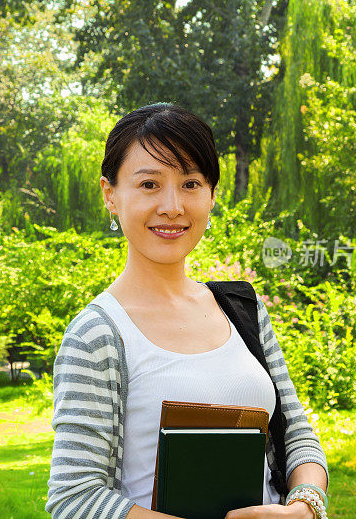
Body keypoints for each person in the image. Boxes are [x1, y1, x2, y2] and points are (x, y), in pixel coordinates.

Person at [45, 103, 329, 519]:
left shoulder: (242, 309)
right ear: (111, 195)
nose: (173, 206)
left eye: (191, 183)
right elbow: (74, 498)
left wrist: (305, 507)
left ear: (212, 195)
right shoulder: (98, 333)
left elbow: (297, 435)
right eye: (149, 185)